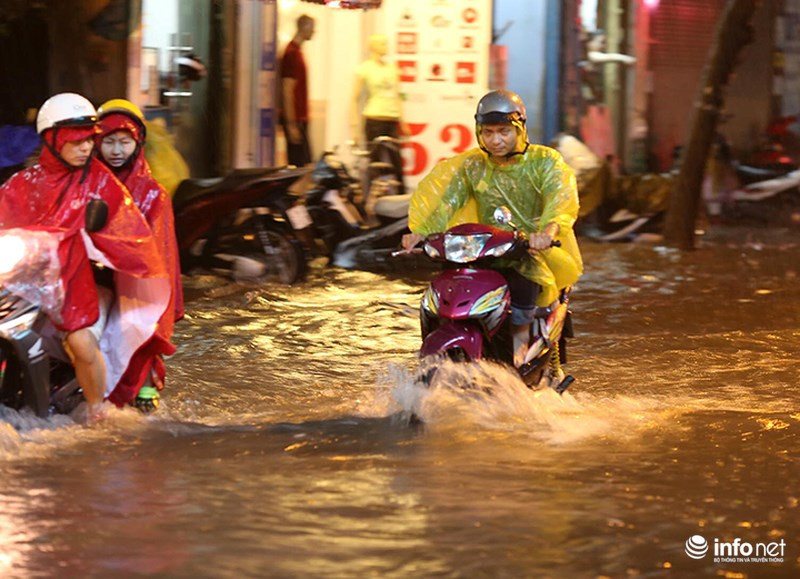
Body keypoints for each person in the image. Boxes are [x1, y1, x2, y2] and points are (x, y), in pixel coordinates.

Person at [0, 92, 170, 420]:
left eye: (89, 140)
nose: (86, 148)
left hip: (81, 284)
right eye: (76, 142)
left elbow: (129, 236)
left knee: (80, 344)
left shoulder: (101, 183)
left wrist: (94, 242)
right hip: (29, 283)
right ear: (53, 140)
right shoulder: (23, 183)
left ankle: (97, 411)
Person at [401, 90, 583, 374]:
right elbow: (447, 203)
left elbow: (559, 199)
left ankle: (520, 347)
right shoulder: (473, 166)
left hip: (528, 250)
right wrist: (421, 232)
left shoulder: (545, 161)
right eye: (488, 132)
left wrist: (547, 231)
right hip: (484, 250)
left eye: (503, 132)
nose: (495, 140)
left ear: (519, 128)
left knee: (525, 280)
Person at [96, 98, 184, 412]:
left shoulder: (153, 194)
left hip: (139, 278)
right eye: (108, 142)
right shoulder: (85, 184)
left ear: (138, 143)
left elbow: (159, 250)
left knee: (140, 321)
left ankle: (145, 380)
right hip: (94, 272)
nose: (116, 150)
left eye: (125, 142)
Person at [350, 34, 407, 193]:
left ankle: (402, 198)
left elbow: (397, 96)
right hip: (374, 119)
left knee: (396, 163)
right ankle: (371, 197)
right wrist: (355, 127)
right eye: (382, 43)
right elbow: (354, 99)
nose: (386, 46)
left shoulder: (393, 69)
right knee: (374, 163)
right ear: (373, 46)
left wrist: (403, 121)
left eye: (386, 43)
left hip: (392, 119)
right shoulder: (364, 68)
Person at [280, 14, 315, 167]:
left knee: (305, 163)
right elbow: (287, 89)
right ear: (304, 27)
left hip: (300, 118)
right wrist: (291, 124)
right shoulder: (291, 53)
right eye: (312, 28)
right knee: (300, 165)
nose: (314, 32)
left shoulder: (298, 52)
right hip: (296, 119)